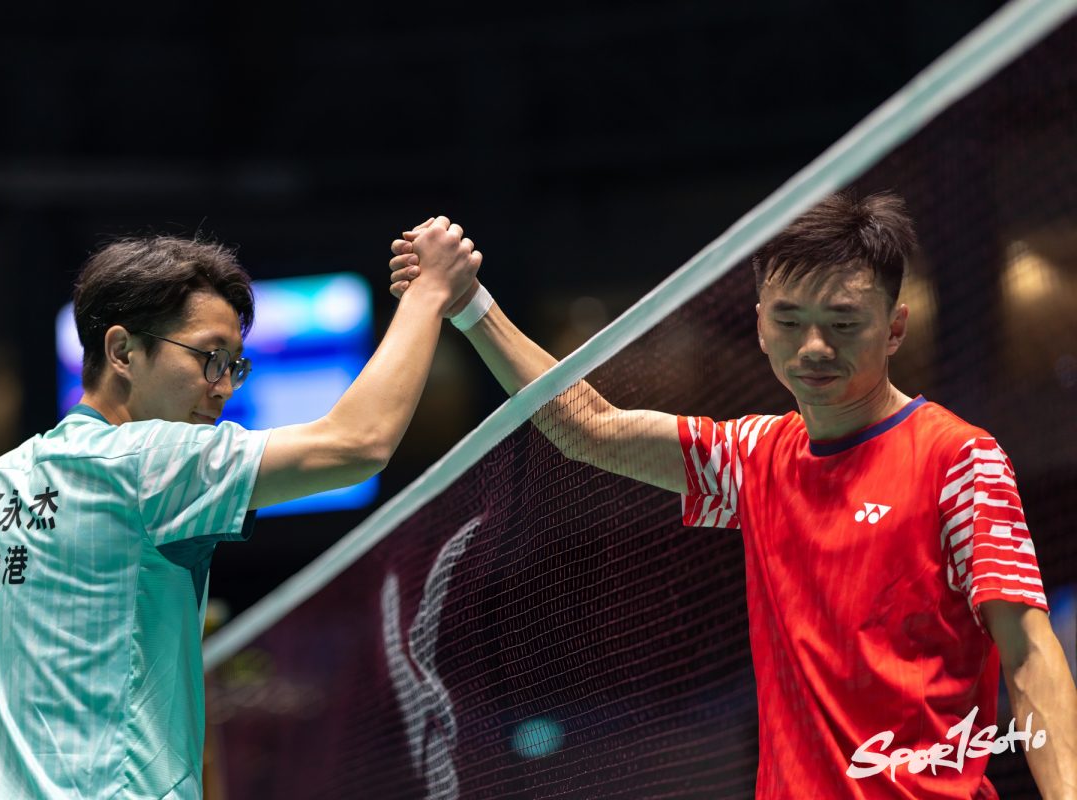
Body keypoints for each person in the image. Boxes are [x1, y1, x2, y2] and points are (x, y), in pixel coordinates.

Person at [388, 194, 1077, 798]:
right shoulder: (756, 458)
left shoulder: (957, 458)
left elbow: (1029, 652)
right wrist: (469, 304)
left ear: (894, 327)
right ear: (759, 326)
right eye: (789, 320)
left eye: (843, 323)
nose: (813, 347)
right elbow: (589, 428)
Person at [0, 218, 480, 799]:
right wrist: (429, 291)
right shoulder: (149, 462)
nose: (223, 387)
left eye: (234, 366)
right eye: (210, 357)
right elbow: (356, 443)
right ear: (122, 351)